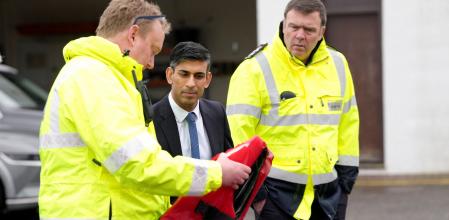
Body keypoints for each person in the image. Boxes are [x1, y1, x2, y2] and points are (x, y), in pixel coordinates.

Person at [38, 0, 250, 219]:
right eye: (153, 50)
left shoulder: (101, 77)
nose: (151, 63)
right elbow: (139, 164)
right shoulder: (95, 78)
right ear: (133, 35)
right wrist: (217, 173)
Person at [226, 0, 359, 219]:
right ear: (283, 25)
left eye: (309, 30)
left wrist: (345, 182)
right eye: (294, 27)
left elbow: (348, 123)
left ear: (322, 32)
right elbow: (238, 134)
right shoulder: (254, 68)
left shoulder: (338, 63)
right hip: (276, 196)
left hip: (328, 194)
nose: (299, 35)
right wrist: (257, 195)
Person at [150, 41, 233, 203]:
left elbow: (228, 162)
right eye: (184, 74)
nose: (191, 83)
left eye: (199, 76)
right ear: (169, 75)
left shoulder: (217, 112)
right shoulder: (150, 118)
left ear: (208, 79)